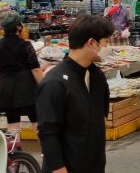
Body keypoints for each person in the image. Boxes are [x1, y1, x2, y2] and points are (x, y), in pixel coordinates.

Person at [36, 15, 114, 173]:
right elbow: (47, 132)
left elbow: (101, 117)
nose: (109, 47)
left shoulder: (97, 76)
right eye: (106, 42)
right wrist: (59, 168)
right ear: (92, 43)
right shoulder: (55, 83)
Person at [0, 14, 43, 133]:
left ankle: (14, 150)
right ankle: (45, 150)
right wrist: (43, 86)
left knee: (12, 122)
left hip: (6, 89)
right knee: (36, 120)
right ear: (18, 27)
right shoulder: (26, 45)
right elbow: (35, 69)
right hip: (27, 89)